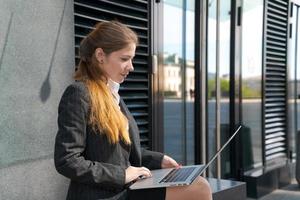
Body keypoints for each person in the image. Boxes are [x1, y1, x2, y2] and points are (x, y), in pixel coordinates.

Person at [54, 21, 212, 200]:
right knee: (198, 188)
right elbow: (67, 160)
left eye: (132, 59)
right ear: (100, 55)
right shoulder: (79, 93)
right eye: (124, 59)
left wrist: (159, 160)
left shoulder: (112, 95)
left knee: (198, 185)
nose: (131, 66)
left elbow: (120, 152)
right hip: (103, 194)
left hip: (125, 189)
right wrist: (122, 175)